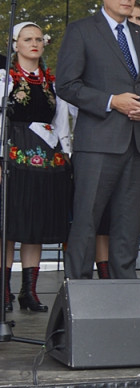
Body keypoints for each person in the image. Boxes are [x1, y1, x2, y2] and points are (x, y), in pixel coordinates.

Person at [56, 0, 140, 279]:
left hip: (138, 142)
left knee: (129, 226)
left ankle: (124, 295)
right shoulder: (82, 31)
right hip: (98, 144)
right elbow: (66, 84)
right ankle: (76, 292)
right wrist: (111, 101)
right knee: (86, 222)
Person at [1, 22, 72, 312]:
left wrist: (66, 154)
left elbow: (62, 121)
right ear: (15, 44)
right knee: (9, 225)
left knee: (36, 225)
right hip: (13, 156)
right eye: (27, 39)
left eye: (39, 39)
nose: (34, 43)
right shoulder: (5, 78)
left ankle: (28, 291)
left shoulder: (51, 82)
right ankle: (3, 292)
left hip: (46, 161)